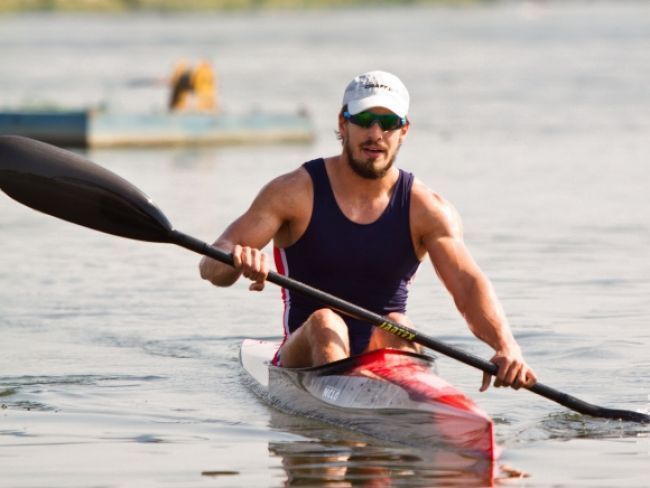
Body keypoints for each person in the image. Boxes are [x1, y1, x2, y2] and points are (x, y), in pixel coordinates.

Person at [199, 70, 537, 392]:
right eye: (363, 120)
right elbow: (211, 267)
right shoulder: (294, 192)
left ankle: (395, 411)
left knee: (399, 324)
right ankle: (345, 409)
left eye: (389, 123)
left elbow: (467, 285)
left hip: (382, 349)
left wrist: (506, 347)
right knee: (326, 322)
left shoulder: (427, 208)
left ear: (404, 131)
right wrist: (236, 259)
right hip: (302, 357)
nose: (375, 134)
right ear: (342, 123)